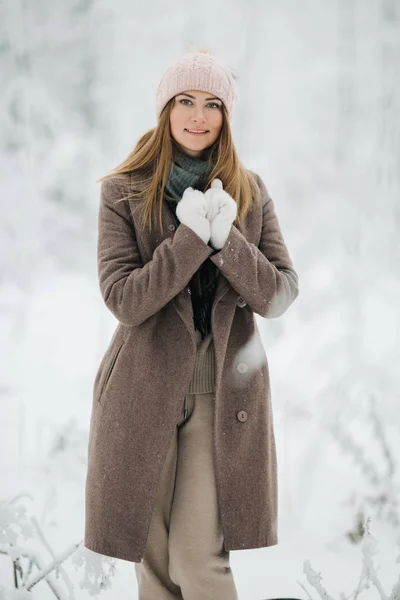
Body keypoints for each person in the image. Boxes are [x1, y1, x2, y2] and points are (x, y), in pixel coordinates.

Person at [84, 48, 299, 600]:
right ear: (165, 110)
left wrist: (228, 241)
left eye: (211, 104)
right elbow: (124, 299)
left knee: (199, 562)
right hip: (141, 390)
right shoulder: (123, 191)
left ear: (226, 116)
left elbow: (278, 295)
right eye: (185, 101)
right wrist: (189, 240)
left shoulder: (249, 191)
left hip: (223, 394)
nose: (198, 115)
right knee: (154, 568)